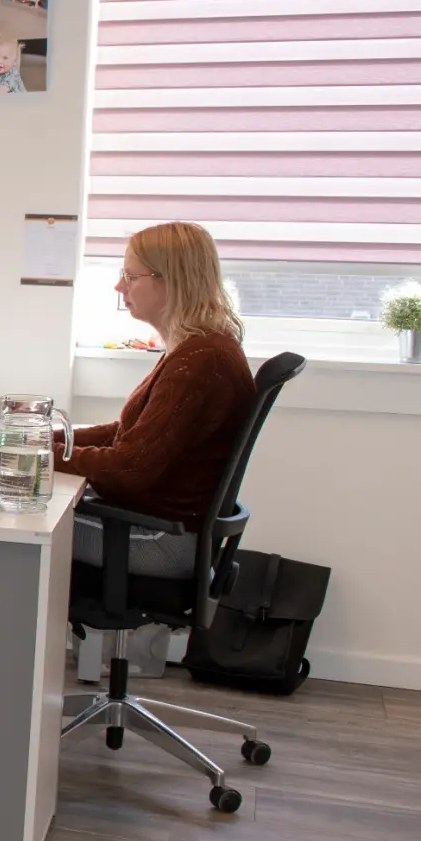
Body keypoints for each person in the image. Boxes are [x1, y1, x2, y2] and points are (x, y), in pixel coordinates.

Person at [63, 223, 256, 577]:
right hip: (161, 528)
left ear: (171, 280)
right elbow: (129, 434)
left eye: (131, 276)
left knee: (16, 528)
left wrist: (34, 456)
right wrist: (45, 441)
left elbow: (127, 470)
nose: (119, 286)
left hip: (161, 541)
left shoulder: (201, 360)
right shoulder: (198, 346)